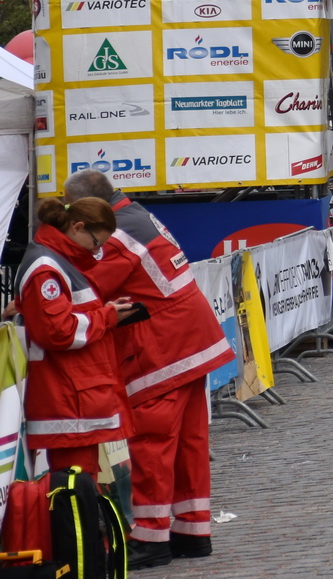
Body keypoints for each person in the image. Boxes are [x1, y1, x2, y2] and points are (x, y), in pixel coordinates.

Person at [60, 171, 229, 565]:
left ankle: (151, 539)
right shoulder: (133, 216)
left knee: (153, 442)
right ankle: (192, 529)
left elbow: (87, 288)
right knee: (189, 443)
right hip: (188, 339)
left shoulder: (117, 234)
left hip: (164, 347)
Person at [11, 197, 137, 477]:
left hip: (74, 393)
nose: (97, 251)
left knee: (77, 487)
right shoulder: (47, 267)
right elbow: (58, 332)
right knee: (75, 488)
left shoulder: (57, 261)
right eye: (96, 243)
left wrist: (106, 312)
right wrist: (107, 317)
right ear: (78, 227)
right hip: (68, 395)